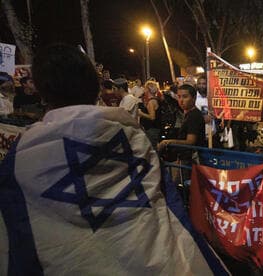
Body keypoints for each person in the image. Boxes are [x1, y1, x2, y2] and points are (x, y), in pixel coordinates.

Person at [0, 43, 225, 275]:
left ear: (41, 90)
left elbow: (14, 232)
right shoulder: (132, 137)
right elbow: (169, 205)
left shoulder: (24, 156)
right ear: (96, 86)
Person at [157, 84, 205, 181]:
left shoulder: (194, 116)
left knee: (185, 188)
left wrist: (167, 142)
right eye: (179, 97)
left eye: (185, 96)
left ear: (194, 98)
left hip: (190, 160)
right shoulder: (188, 114)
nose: (181, 100)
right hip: (185, 158)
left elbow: (190, 141)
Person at [138, 80, 161, 147]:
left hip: (152, 130)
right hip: (155, 129)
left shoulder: (151, 102)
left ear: (148, 90)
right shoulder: (155, 99)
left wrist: (141, 113)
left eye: (145, 88)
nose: (143, 90)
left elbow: (152, 117)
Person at [195, 76, 215, 146]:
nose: (201, 86)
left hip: (212, 132)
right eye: (199, 84)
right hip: (199, 133)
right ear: (197, 85)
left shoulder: (211, 97)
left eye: (204, 84)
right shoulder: (194, 98)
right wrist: (202, 119)